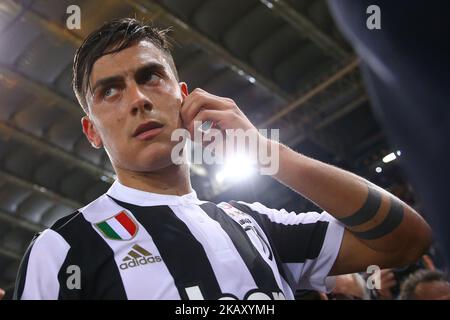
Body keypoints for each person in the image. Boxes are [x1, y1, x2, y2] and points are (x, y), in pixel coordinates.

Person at [13, 18, 431, 300]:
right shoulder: (62, 251)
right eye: (110, 90)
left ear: (183, 97)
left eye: (149, 77)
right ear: (91, 132)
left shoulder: (257, 225)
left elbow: (408, 239)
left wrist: (268, 153)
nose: (138, 99)